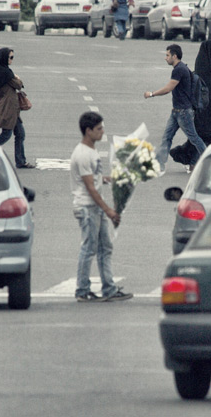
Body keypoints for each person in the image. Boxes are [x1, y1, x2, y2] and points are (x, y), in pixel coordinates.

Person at [70, 111, 132, 303]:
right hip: (88, 207)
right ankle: (82, 290)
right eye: (99, 129)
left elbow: (94, 180)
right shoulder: (82, 154)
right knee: (89, 249)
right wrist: (109, 211)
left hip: (94, 208)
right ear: (88, 131)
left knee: (105, 247)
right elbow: (90, 188)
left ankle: (109, 288)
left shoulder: (92, 151)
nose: (102, 132)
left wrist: (109, 179)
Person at [144, 44, 207, 173]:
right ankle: (159, 166)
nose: (165, 58)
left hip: (184, 112)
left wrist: (152, 94)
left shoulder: (179, 69)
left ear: (175, 56)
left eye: (167, 55)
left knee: (194, 138)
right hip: (177, 112)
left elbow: (168, 88)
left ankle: (209, 161)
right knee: (167, 137)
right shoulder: (182, 68)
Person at [169, 40, 211, 170]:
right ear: (209, 51)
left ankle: (194, 161)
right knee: (207, 135)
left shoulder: (209, 67)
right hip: (204, 110)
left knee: (208, 136)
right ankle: (196, 163)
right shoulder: (204, 69)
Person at [0, 47, 34, 169]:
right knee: (6, 135)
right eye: (10, 57)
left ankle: (21, 161)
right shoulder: (5, 73)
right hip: (8, 108)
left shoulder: (2, 71)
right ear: (4, 58)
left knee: (20, 134)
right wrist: (17, 77)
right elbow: (18, 84)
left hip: (12, 108)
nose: (12, 60)